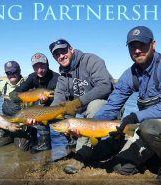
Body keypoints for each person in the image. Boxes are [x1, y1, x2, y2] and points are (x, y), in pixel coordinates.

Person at [91, 26, 161, 184]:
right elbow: (112, 105)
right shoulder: (130, 74)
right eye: (132, 46)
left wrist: (134, 116)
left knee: (148, 128)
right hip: (151, 127)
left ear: (153, 44)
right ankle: (157, 153)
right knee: (121, 167)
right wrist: (90, 125)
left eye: (142, 45)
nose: (137, 50)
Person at [48, 39, 114, 173]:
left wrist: (77, 103)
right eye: (57, 54)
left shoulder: (91, 60)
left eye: (63, 51)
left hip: (108, 107)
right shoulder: (62, 77)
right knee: (57, 117)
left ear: (71, 49)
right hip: (85, 115)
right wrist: (40, 117)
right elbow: (57, 103)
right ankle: (75, 140)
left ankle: (81, 156)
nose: (61, 56)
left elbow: (105, 86)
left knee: (95, 105)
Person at [9, 53, 59, 153]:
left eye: (42, 66)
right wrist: (18, 99)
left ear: (47, 65)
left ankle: (72, 142)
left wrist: (46, 100)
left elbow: (61, 98)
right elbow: (16, 92)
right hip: (40, 108)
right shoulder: (32, 77)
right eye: (36, 67)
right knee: (10, 106)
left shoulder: (56, 78)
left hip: (55, 106)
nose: (39, 70)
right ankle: (44, 142)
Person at [0, 61, 36, 151]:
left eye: (14, 72)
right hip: (6, 122)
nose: (11, 75)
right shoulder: (3, 85)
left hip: (23, 124)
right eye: (8, 73)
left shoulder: (28, 84)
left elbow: (36, 105)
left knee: (20, 150)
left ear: (19, 71)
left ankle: (32, 133)